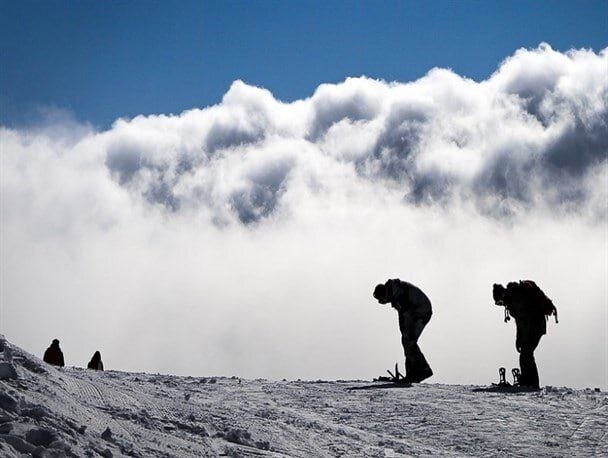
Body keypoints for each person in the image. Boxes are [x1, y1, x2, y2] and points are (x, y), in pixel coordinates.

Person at [493, 280, 558, 389]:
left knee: (526, 354)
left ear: (502, 295)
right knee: (526, 354)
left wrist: (523, 338)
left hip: (535, 327)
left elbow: (524, 320)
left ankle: (531, 383)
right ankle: (528, 382)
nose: (501, 305)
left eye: (499, 302)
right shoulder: (513, 300)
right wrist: (519, 339)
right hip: (533, 327)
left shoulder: (516, 298)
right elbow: (519, 323)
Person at [373, 279, 433, 383]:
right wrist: (404, 331)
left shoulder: (398, 294)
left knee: (408, 340)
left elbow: (407, 313)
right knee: (406, 340)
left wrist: (406, 332)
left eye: (381, 299)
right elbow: (402, 315)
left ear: (384, 294)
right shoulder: (395, 293)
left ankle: (422, 371)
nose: (382, 302)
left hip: (421, 311)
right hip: (418, 311)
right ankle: (413, 372)